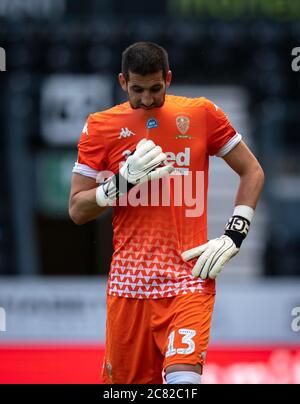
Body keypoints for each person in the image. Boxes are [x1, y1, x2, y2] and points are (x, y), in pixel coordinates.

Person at [69, 42, 264, 384]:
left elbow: (253, 171)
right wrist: (118, 184)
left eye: (155, 89)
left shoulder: (201, 114)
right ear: (122, 82)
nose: (147, 99)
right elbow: (77, 209)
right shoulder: (100, 126)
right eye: (138, 90)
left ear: (169, 79)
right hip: (129, 287)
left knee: (183, 383)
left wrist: (236, 232)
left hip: (189, 278)